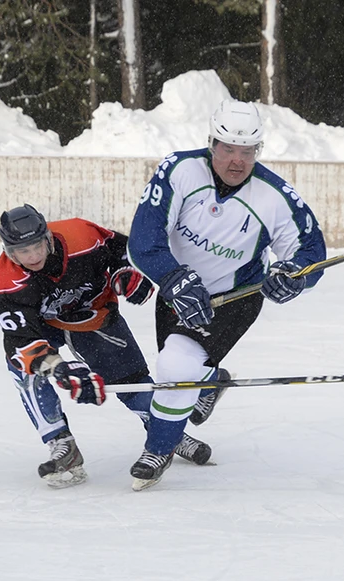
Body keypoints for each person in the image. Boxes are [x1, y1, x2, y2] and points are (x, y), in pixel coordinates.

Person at [126, 99, 327, 489]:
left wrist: (292, 276)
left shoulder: (274, 195)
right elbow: (144, 240)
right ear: (211, 143)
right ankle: (210, 381)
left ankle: (159, 448)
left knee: (175, 368)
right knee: (179, 372)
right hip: (177, 293)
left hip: (235, 298)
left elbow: (309, 252)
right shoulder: (180, 169)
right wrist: (173, 279)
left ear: (258, 151)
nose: (237, 160)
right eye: (228, 149)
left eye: (247, 151)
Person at [0, 204, 213, 488]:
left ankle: (168, 433)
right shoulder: (5, 281)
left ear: (47, 238)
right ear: (10, 252)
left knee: (130, 381)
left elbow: (123, 250)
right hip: (43, 326)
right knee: (23, 370)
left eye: (36, 246)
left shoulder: (81, 234)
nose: (32, 256)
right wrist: (58, 369)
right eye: (23, 251)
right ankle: (62, 443)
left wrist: (124, 273)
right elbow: (21, 340)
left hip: (93, 315)